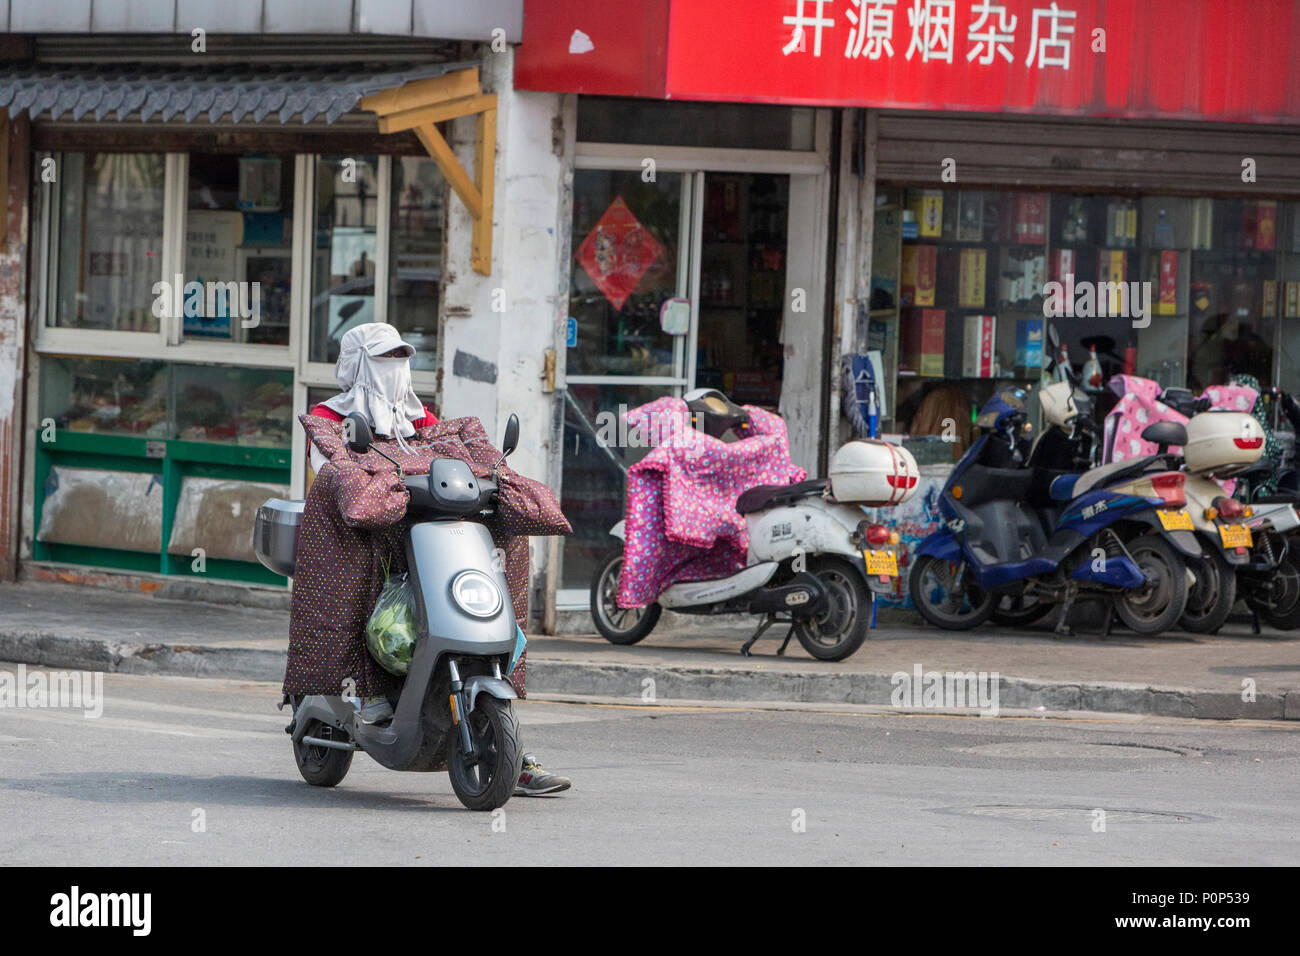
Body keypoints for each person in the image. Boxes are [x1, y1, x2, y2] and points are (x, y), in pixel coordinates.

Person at [305, 322, 571, 797]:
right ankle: (367, 694)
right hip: (366, 541)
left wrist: (493, 480)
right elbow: (339, 479)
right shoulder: (331, 420)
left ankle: (509, 743)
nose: (396, 369)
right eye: (385, 359)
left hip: (432, 542)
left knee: (500, 554)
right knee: (370, 596)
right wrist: (370, 480)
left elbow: (456, 468)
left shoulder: (422, 421)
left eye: (401, 359)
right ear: (360, 363)